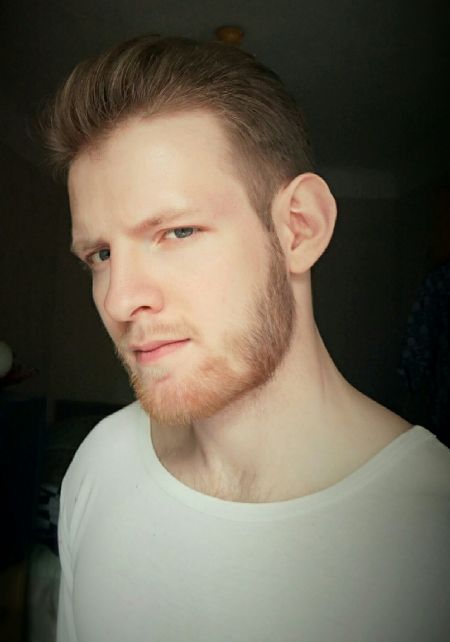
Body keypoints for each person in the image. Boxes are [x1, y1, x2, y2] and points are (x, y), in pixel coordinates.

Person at [41, 35, 450, 642]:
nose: (120, 300)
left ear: (299, 228)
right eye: (100, 254)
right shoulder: (99, 464)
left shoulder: (434, 533)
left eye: (177, 232)